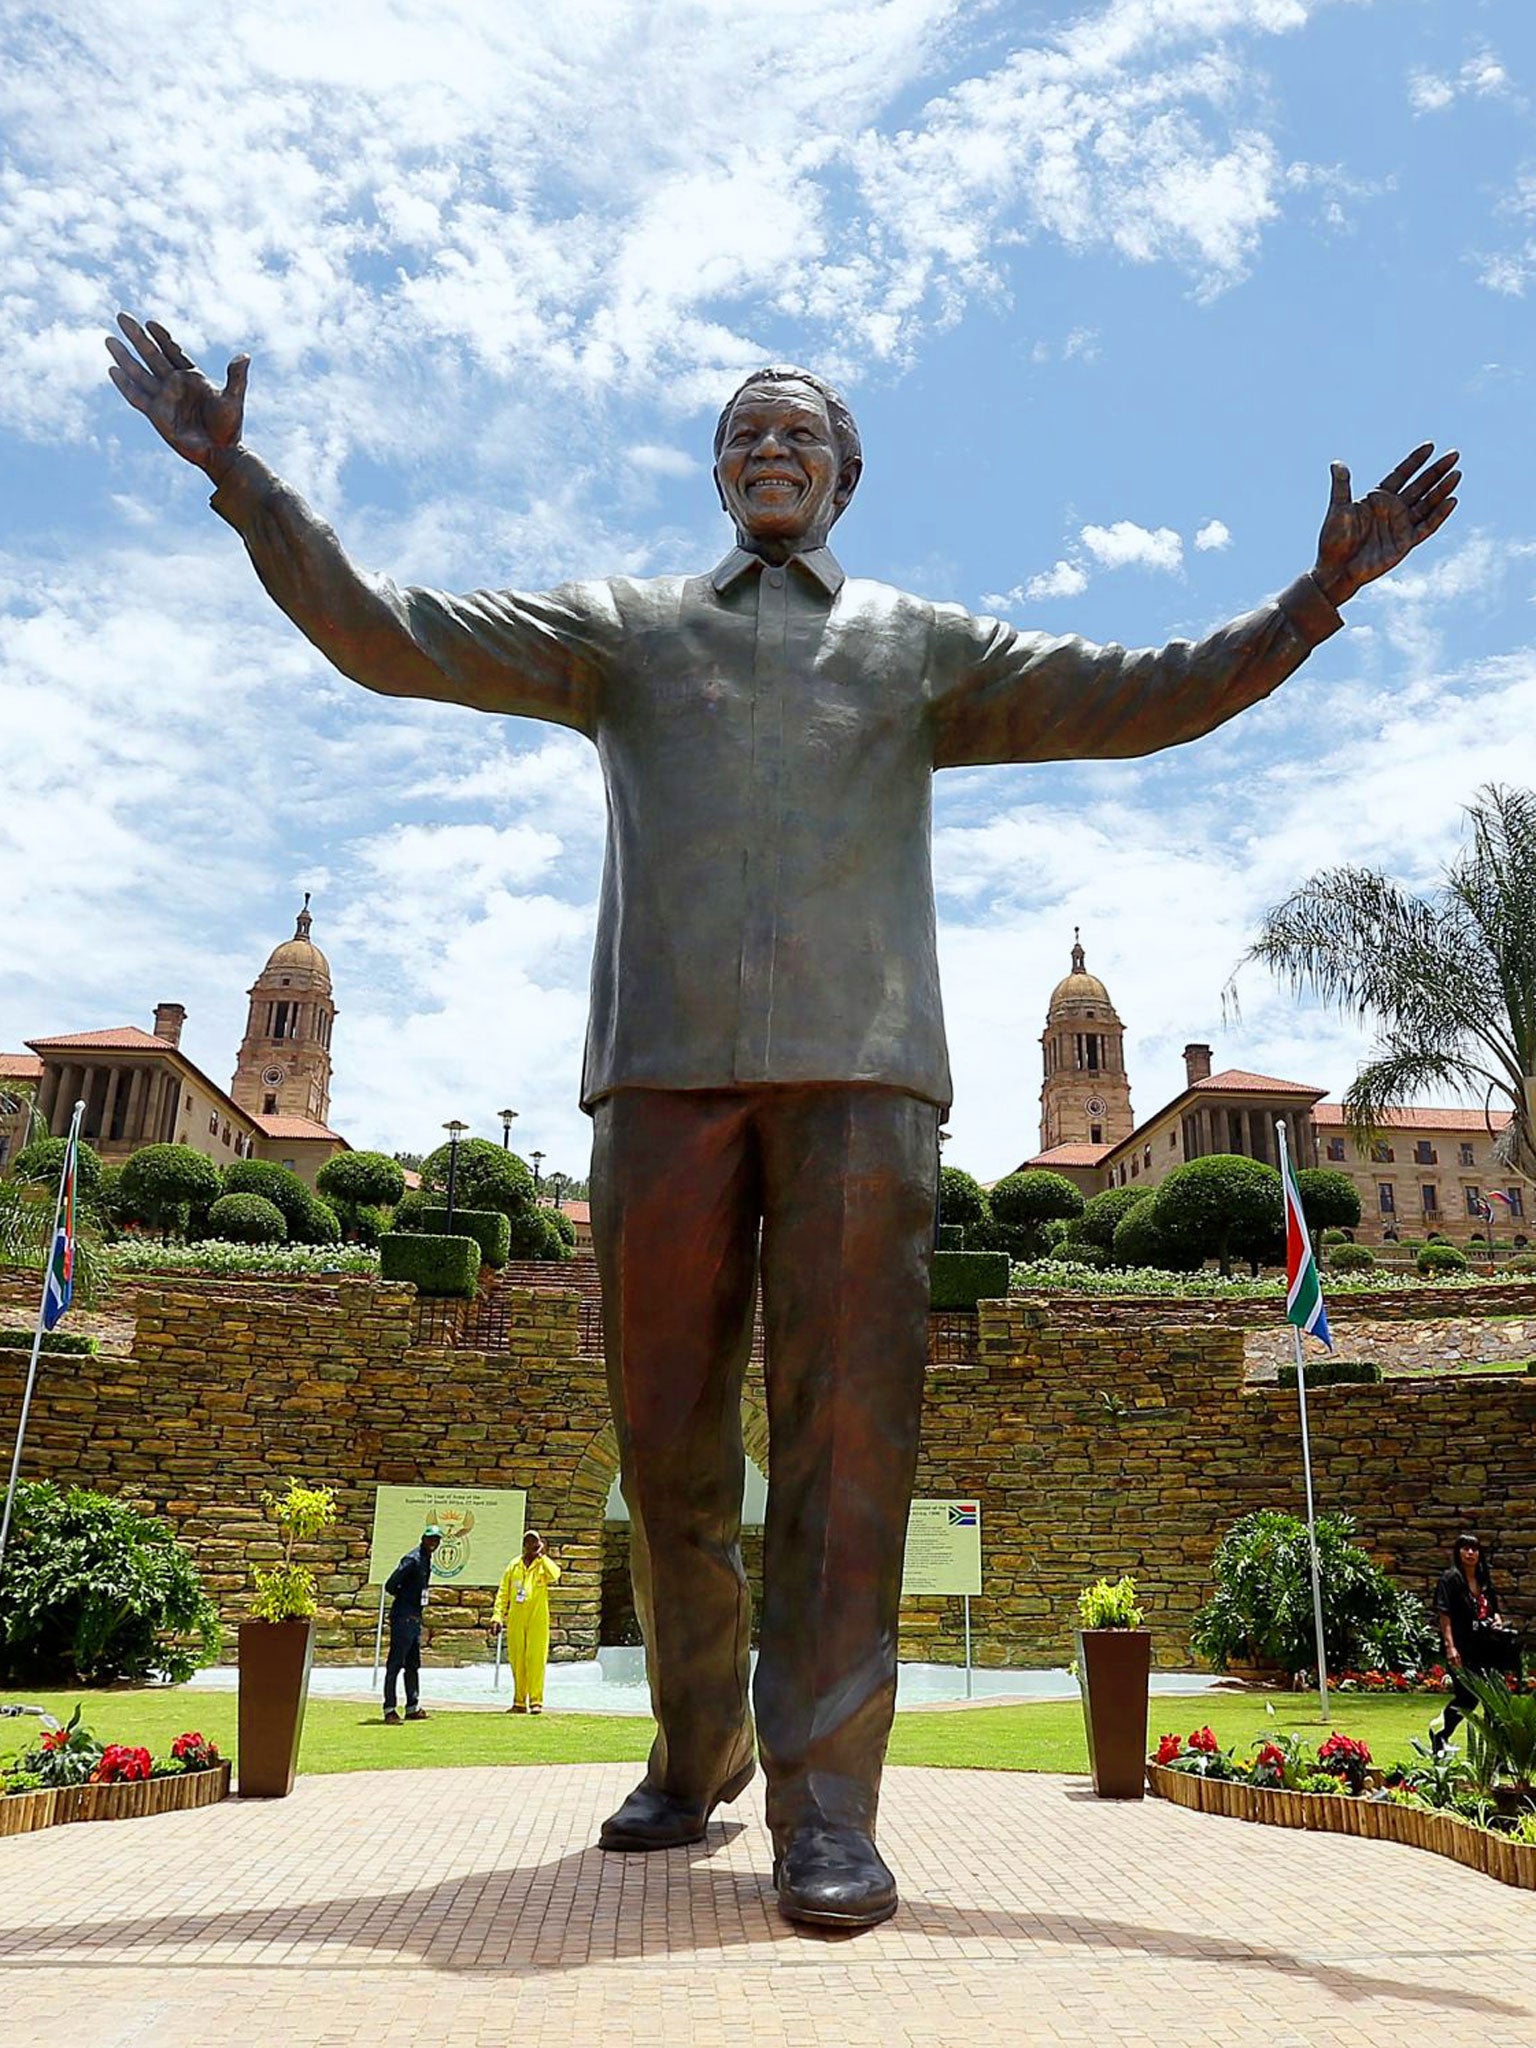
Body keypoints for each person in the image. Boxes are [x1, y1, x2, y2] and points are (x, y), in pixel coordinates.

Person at [105, 312, 1458, 1929]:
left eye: (799, 435)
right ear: (715, 468)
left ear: (848, 477)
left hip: (865, 1078)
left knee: (847, 1451)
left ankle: (828, 1802)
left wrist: (1312, 603)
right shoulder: (626, 628)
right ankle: (700, 1746)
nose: (769, 451)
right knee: (667, 1444)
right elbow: (392, 632)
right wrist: (242, 478)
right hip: (663, 1070)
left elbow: (1145, 692)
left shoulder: (916, 643)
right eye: (745, 432)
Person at [1430, 1531, 1520, 1751]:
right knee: (1467, 1697)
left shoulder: (1483, 1578)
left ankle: (1498, 1748)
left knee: (1494, 1698)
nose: (1470, 1553)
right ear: (1458, 1552)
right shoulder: (1450, 1579)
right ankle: (1441, 1735)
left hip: (1486, 1646)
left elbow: (1494, 1609)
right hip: (1462, 1646)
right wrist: (1450, 1647)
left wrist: (1497, 1623)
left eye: (1475, 1549)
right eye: (1466, 1548)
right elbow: (1444, 1615)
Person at [493, 1530, 561, 1714]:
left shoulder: (543, 1565)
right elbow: (503, 1593)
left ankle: (536, 1701)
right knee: (517, 1659)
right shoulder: (514, 1565)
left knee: (535, 1659)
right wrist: (497, 1616)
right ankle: (519, 1701)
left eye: (535, 1542)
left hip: (537, 1618)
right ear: (524, 1545)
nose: (531, 1545)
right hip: (516, 1618)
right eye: (528, 1542)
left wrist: (542, 1556)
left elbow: (555, 1575)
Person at [382, 1523, 441, 1726]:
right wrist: (405, 1596)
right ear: (423, 1538)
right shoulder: (413, 1559)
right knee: (395, 1664)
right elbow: (390, 1584)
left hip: (415, 1618)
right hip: (403, 1617)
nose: (434, 1543)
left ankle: (412, 1706)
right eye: (431, 1538)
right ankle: (389, 1709)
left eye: (437, 1540)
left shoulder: (426, 1559)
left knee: (413, 1664)